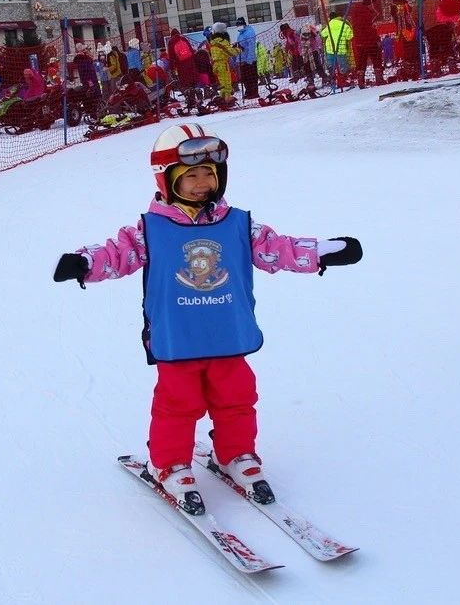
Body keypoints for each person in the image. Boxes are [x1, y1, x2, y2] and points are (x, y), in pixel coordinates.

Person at [51, 123, 363, 513]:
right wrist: (83, 263)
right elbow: (117, 254)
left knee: (237, 399)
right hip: (178, 339)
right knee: (177, 404)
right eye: (191, 175)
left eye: (209, 174)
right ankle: (168, 464)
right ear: (167, 181)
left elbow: (277, 249)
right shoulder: (150, 229)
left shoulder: (238, 224)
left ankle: (236, 454)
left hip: (228, 336)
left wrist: (322, 252)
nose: (202, 183)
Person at [348, 0, 383, 88]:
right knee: (376, 59)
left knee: (361, 62)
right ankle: (379, 79)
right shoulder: (367, 13)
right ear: (370, 3)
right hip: (370, 41)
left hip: (359, 42)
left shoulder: (355, 12)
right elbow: (370, 29)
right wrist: (377, 39)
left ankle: (360, 81)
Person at [321, 10, 352, 76]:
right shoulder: (344, 24)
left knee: (331, 64)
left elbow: (323, 34)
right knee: (342, 64)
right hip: (341, 47)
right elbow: (349, 36)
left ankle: (333, 77)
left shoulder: (329, 25)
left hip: (330, 47)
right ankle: (344, 77)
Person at [235, 17, 258, 99]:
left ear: (243, 24)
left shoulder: (249, 32)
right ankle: (248, 91)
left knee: (251, 77)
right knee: (245, 78)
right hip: (242, 59)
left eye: (239, 25)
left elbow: (251, 47)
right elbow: (240, 46)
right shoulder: (240, 34)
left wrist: (249, 60)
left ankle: (254, 92)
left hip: (249, 60)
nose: (238, 27)